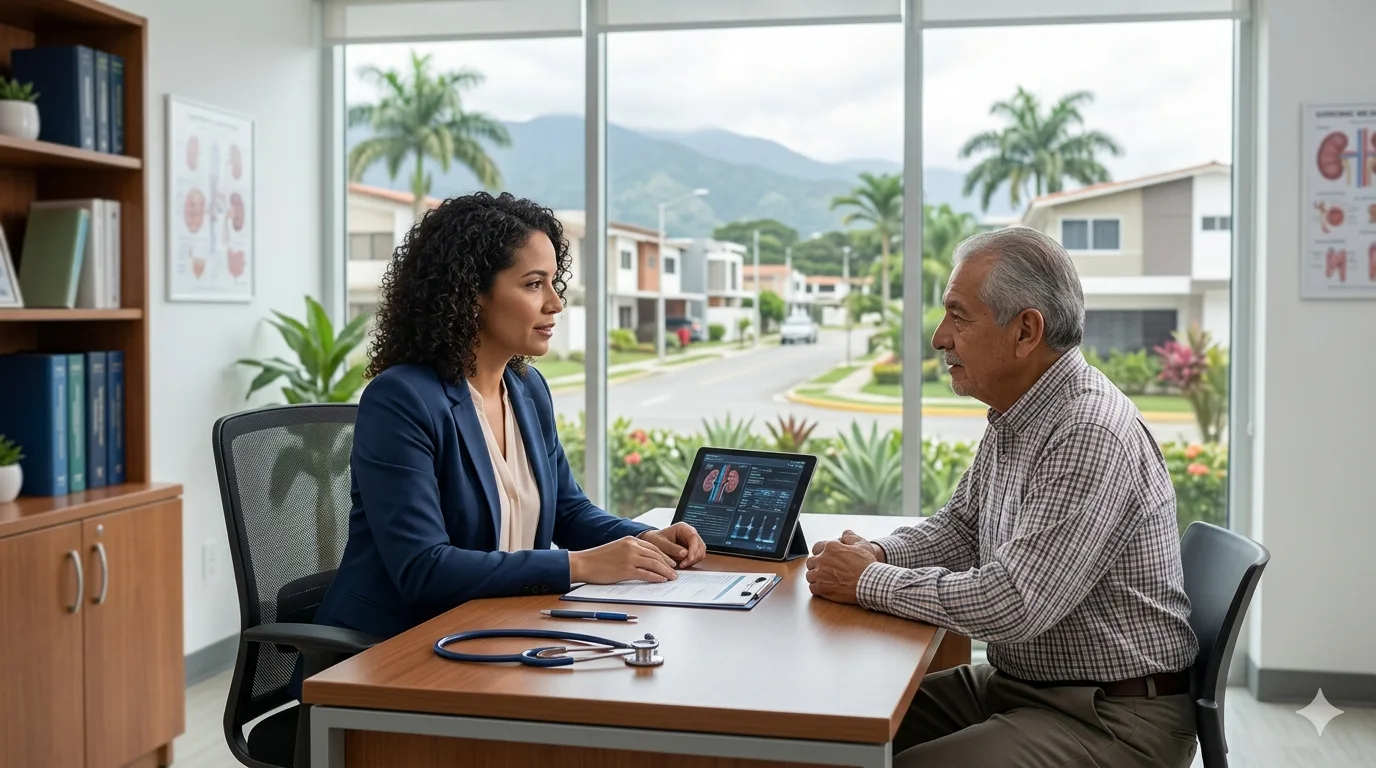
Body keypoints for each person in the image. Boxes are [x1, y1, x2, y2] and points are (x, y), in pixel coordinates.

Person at [804, 227, 1200, 767]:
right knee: (834, 734)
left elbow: (1014, 602)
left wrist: (867, 582)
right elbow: (961, 528)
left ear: (1025, 331)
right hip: (1028, 685)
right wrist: (877, 554)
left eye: (958, 316)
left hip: (1110, 719)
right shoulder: (1021, 412)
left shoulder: (1088, 430)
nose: (941, 336)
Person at [313, 191, 706, 641]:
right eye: (533, 284)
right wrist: (580, 565)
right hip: (394, 647)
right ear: (471, 294)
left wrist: (645, 540)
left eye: (554, 282)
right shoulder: (402, 400)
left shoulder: (526, 389)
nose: (555, 303)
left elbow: (568, 511)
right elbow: (424, 568)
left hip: (497, 630)